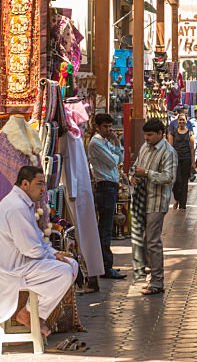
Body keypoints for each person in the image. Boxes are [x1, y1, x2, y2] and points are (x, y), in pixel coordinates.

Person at [0, 166, 78, 336]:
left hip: (24, 263)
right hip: (13, 269)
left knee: (72, 265)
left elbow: (37, 241)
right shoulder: (16, 207)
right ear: (25, 184)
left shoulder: (22, 204)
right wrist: (52, 256)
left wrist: (54, 254)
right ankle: (29, 313)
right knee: (65, 271)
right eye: (39, 184)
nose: (44, 189)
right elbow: (31, 249)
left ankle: (36, 314)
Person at [130, 118, 177, 296]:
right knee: (143, 239)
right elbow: (136, 166)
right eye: (145, 135)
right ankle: (151, 274)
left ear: (160, 134)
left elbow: (168, 177)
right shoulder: (145, 147)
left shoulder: (168, 152)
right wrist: (133, 175)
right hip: (142, 198)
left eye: (150, 135)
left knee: (153, 240)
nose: (147, 138)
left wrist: (147, 174)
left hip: (157, 201)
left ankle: (157, 281)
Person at [87, 113, 125, 280]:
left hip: (111, 187)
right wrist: (116, 153)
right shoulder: (95, 143)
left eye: (110, 126)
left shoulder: (105, 142)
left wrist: (117, 144)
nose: (109, 130)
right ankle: (105, 266)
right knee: (105, 229)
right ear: (97, 127)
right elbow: (113, 161)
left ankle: (105, 265)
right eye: (105, 127)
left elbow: (120, 157)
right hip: (105, 187)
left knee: (107, 227)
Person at [168, 113, 194, 210]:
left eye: (183, 120)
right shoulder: (173, 133)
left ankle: (183, 204)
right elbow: (170, 147)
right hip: (175, 159)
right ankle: (177, 198)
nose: (181, 122)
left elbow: (192, 148)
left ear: (186, 121)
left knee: (184, 182)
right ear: (177, 121)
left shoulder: (190, 133)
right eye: (180, 120)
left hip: (186, 159)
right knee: (177, 181)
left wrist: (193, 161)